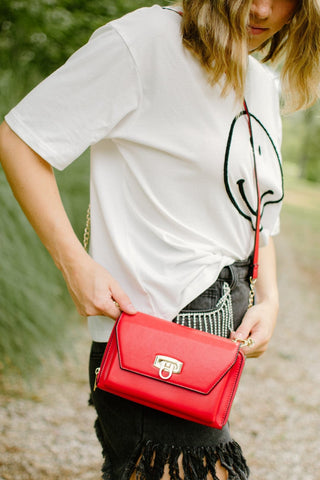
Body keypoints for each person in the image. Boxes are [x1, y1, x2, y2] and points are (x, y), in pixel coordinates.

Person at [0, 0, 319, 478]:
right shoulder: (145, 41)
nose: (262, 8)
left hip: (221, 333)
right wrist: (74, 264)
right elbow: (21, 139)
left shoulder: (260, 82)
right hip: (154, 323)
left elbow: (259, 216)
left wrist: (269, 299)